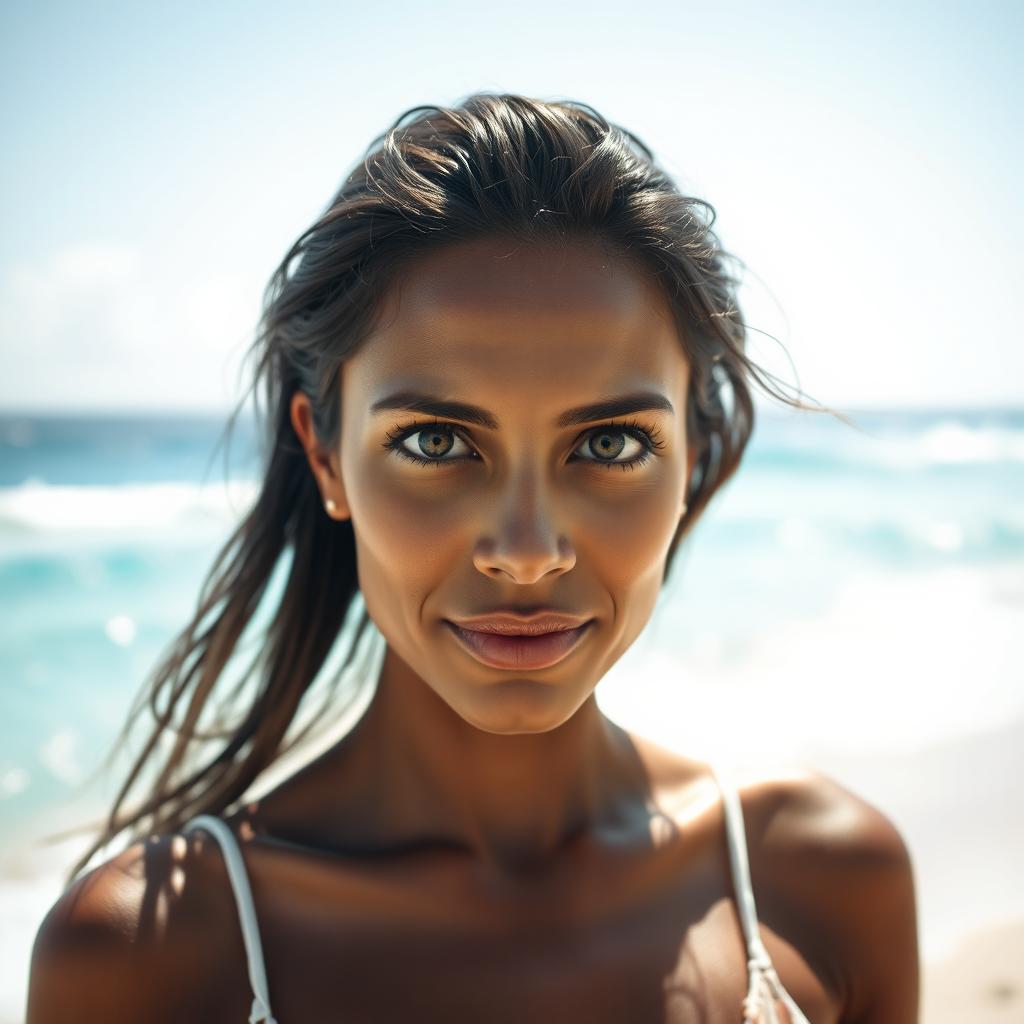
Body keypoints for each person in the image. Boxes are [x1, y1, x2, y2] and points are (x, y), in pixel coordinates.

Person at [25, 93, 919, 1023]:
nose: (527, 554)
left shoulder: (827, 882)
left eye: (609, 445)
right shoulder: (149, 959)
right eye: (437, 444)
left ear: (690, 458)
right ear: (326, 457)